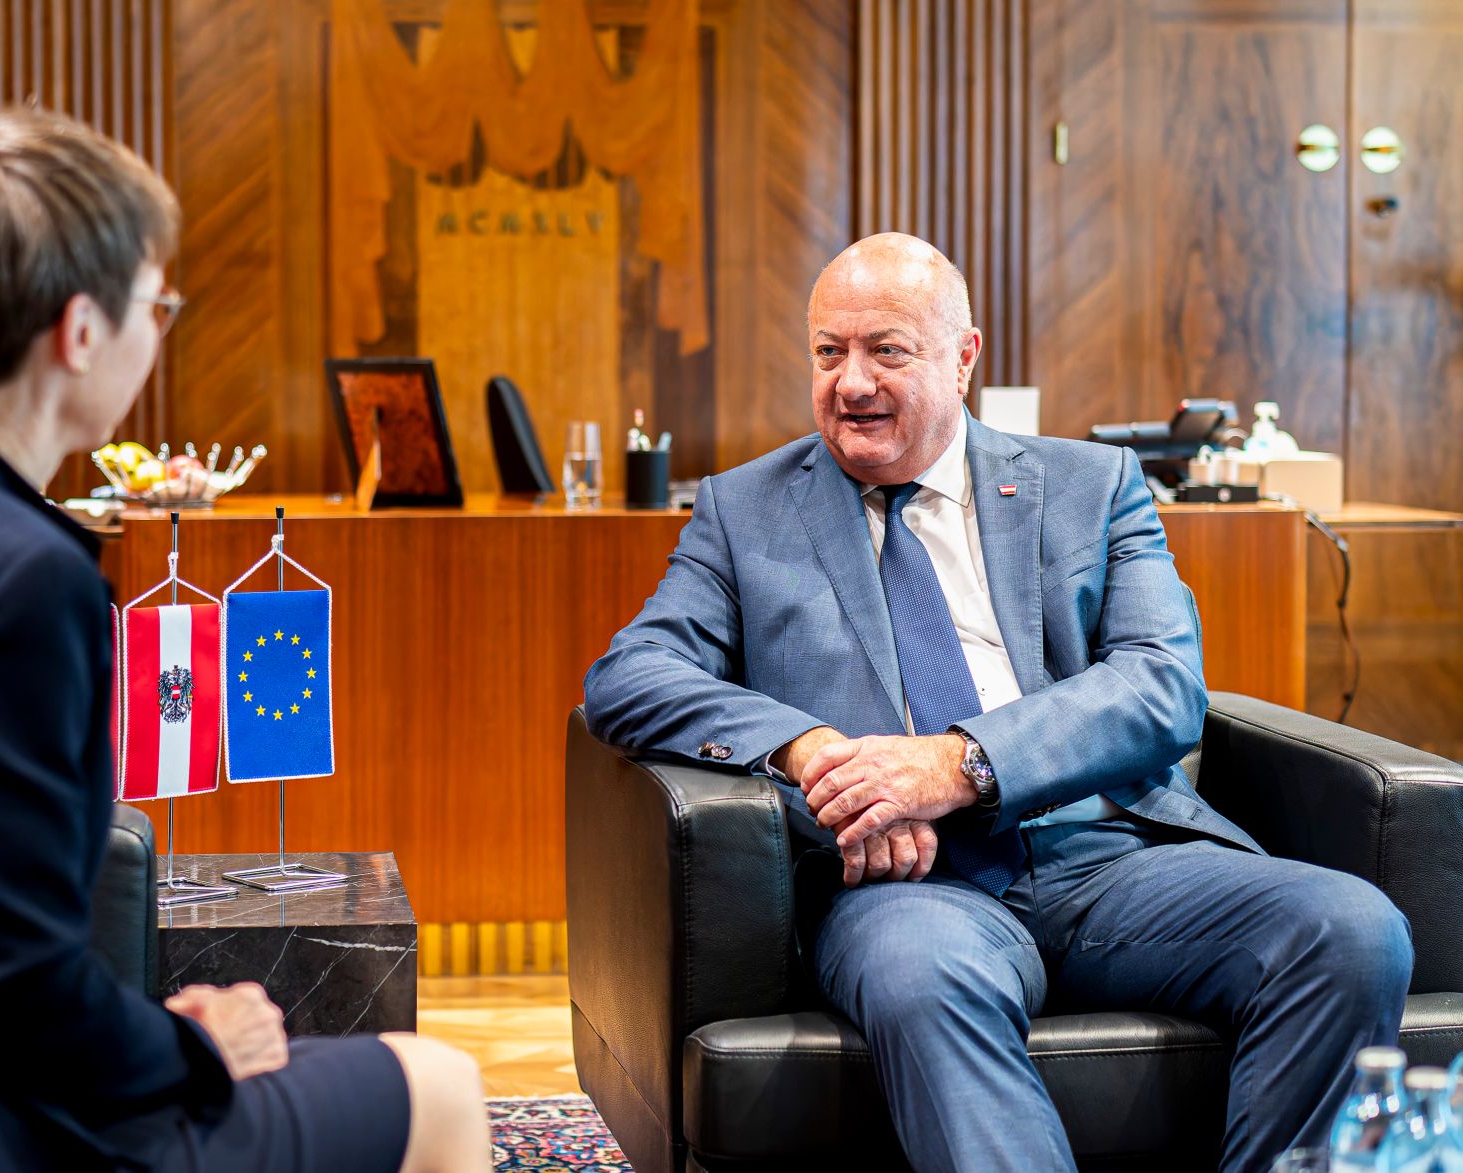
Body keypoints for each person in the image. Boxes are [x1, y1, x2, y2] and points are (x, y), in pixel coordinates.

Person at [0, 107, 488, 1173]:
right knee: (439, 1088)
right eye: (157, 305)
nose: (158, 331)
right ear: (80, 333)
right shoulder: (25, 575)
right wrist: (199, 1048)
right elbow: (19, 989)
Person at [584, 232, 1413, 1172]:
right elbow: (632, 674)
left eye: (885, 350)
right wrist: (814, 751)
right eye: (828, 352)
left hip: (1106, 856)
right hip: (905, 886)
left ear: (964, 355)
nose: (850, 382)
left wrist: (956, 763)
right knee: (921, 981)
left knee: (1351, 929)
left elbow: (1161, 684)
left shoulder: (1090, 487)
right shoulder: (746, 509)